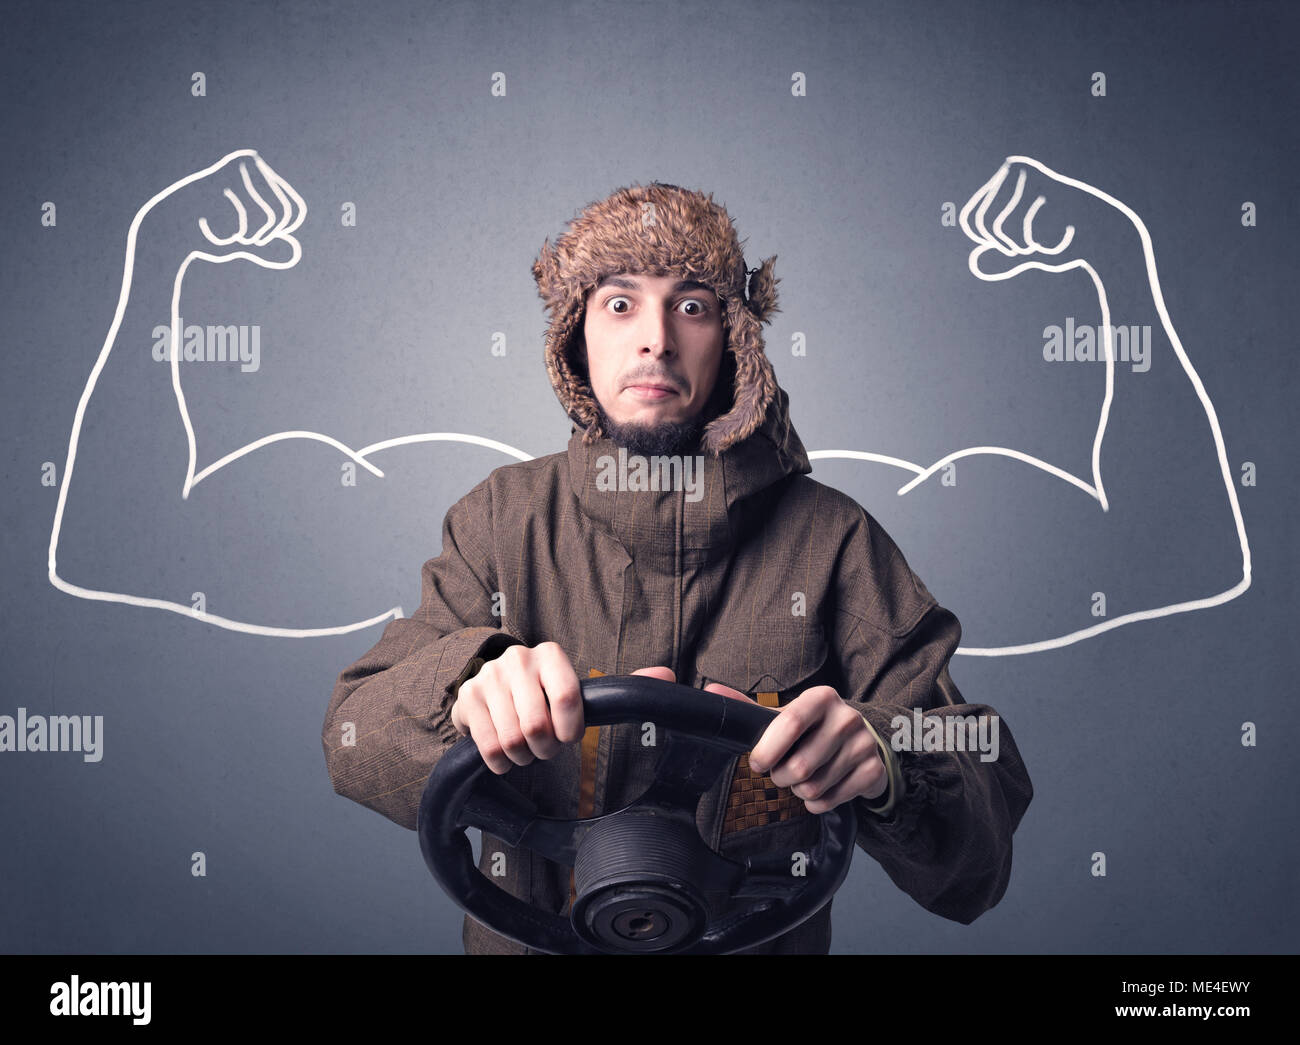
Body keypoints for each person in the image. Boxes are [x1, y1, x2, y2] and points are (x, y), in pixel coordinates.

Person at [321, 181, 1034, 954]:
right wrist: (466, 689)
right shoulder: (500, 520)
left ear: (732, 337)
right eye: (619, 303)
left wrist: (888, 760)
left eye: (691, 305)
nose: (655, 338)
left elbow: (978, 863)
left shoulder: (834, 541)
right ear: (576, 337)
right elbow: (355, 737)